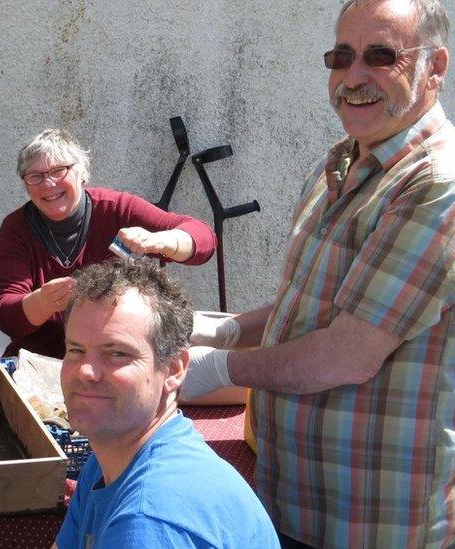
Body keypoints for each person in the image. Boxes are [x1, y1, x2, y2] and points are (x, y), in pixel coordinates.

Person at [182, 0, 455, 545]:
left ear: (435, 67)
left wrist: (220, 368)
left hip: (374, 521)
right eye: (341, 56)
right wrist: (219, 328)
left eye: (381, 56)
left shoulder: (436, 184)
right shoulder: (341, 161)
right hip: (295, 500)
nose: (354, 76)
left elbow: (346, 354)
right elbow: (304, 308)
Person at [55, 258, 277, 548]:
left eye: (117, 354)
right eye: (76, 349)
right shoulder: (108, 457)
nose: (86, 370)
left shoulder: (148, 521)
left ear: (173, 370)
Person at [0, 129, 216, 358]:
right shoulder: (16, 228)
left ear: (82, 172)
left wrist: (159, 240)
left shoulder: (116, 208)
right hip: (37, 361)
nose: (48, 184)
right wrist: (43, 301)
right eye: (35, 176)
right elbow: (6, 316)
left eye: (59, 171)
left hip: (116, 358)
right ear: (26, 184)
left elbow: (204, 239)